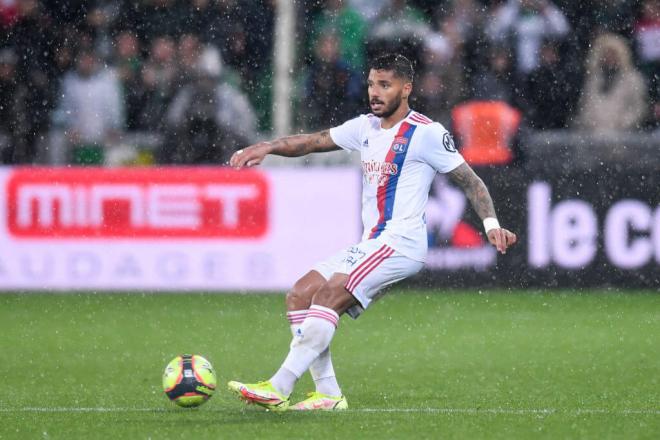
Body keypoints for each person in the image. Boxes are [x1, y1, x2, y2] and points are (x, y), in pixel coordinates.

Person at [227, 54, 517, 411]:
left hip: (402, 243)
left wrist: (491, 225)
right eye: (371, 84)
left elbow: (472, 182)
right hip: (373, 242)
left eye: (385, 85)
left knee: (330, 294)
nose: (374, 93)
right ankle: (328, 394)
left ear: (406, 88)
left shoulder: (426, 133)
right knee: (301, 295)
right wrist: (268, 147)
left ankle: (279, 385)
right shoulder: (364, 127)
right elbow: (313, 141)